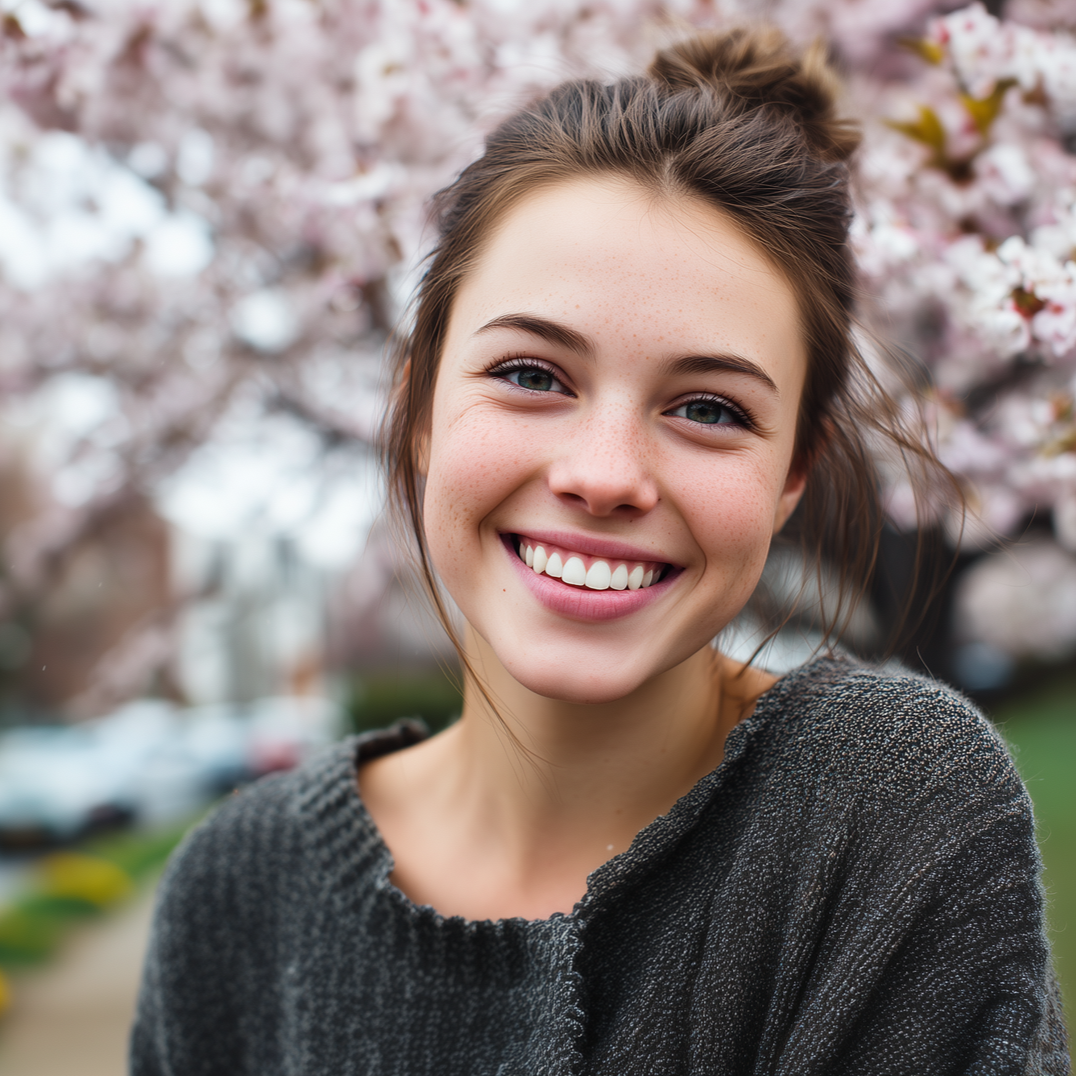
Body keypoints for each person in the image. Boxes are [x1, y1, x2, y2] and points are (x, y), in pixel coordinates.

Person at [131, 26, 1070, 1076]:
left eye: (707, 407)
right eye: (532, 375)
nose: (605, 472)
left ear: (789, 476)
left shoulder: (884, 811)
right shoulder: (238, 887)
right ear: (420, 412)